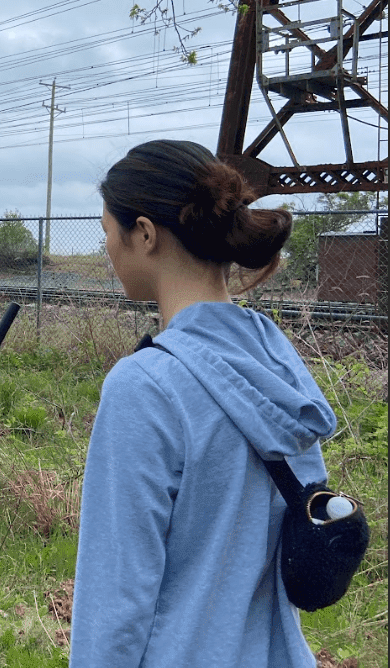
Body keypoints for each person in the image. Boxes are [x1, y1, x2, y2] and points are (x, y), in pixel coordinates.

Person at [69, 140, 336, 667]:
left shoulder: (145, 385)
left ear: (143, 234)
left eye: (107, 233)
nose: (107, 250)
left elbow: (117, 596)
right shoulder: (274, 362)